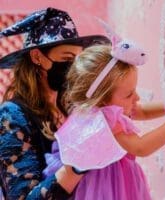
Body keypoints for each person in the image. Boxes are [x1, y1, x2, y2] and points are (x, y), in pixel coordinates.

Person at [52, 43, 165, 199]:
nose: (137, 97)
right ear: (100, 100)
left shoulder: (102, 107)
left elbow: (141, 110)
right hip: (110, 187)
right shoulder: (104, 121)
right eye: (129, 95)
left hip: (118, 179)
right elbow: (141, 147)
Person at [0, 7, 110, 199]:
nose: (73, 68)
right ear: (37, 57)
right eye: (67, 59)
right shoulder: (11, 116)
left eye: (77, 60)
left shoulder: (69, 107)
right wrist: (75, 167)